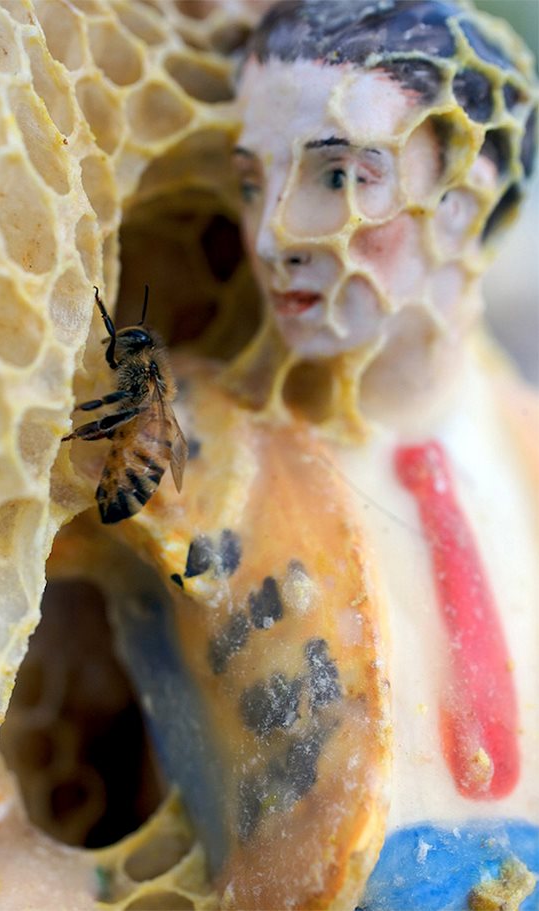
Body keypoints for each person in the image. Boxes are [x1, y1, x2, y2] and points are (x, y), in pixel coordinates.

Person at [110, 2, 539, 908]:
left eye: (339, 177)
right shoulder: (201, 448)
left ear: (466, 195)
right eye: (254, 183)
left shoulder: (523, 437)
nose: (272, 238)